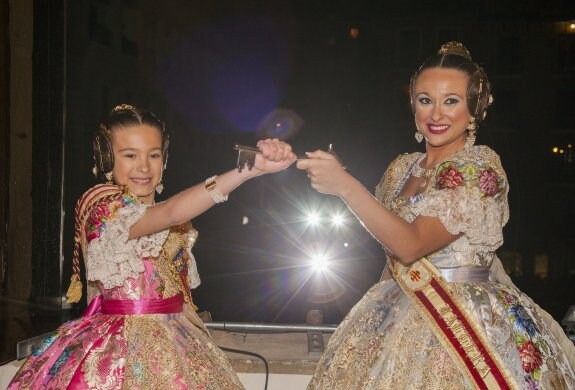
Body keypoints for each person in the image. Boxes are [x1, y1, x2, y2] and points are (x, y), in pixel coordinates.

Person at [297, 42, 575, 389]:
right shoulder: (400, 169)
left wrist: (344, 186)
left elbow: (411, 246)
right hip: (393, 313)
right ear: (412, 104)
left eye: (451, 101)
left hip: (465, 327)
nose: (436, 114)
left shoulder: (478, 167)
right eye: (425, 100)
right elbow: (391, 256)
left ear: (473, 108)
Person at [8, 104, 296, 389]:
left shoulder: (154, 216)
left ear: (164, 159)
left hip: (178, 344)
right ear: (107, 159)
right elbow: (172, 212)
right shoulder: (103, 208)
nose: (144, 167)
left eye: (154, 155)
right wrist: (245, 171)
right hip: (119, 353)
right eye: (130, 155)